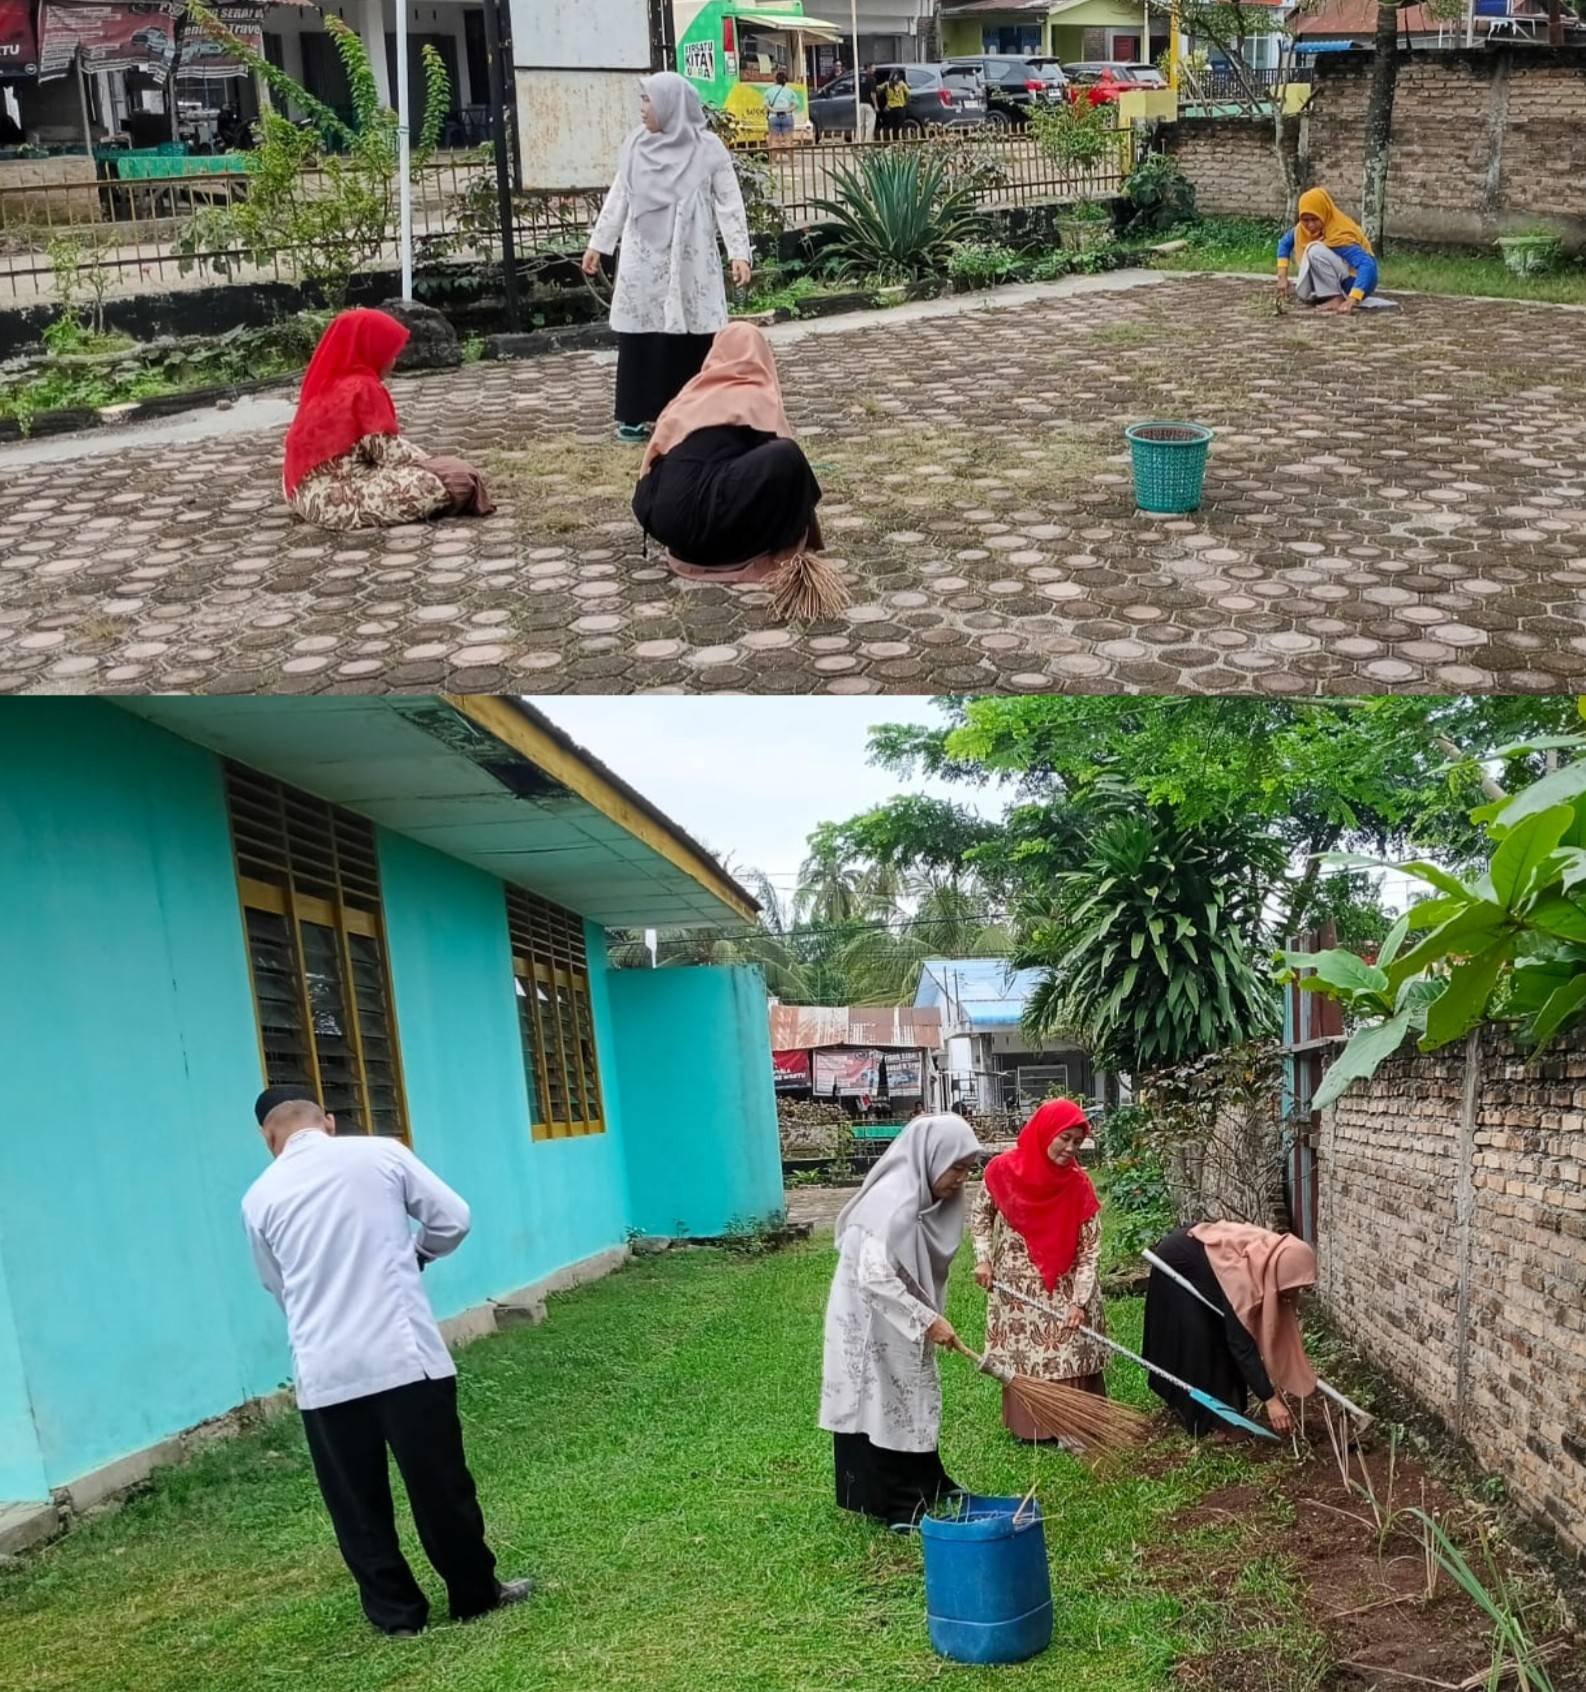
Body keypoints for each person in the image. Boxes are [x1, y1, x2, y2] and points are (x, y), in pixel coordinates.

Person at [241, 1087, 532, 1637]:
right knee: (439, 1483)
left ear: (267, 1137)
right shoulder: (380, 1153)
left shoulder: (259, 1197)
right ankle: (474, 1593)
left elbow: (275, 1284)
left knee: (356, 1502)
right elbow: (454, 1218)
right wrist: (417, 1255)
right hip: (403, 1357)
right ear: (328, 1122)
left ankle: (397, 1616)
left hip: (324, 1370)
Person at [819, 1113, 983, 1530]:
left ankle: (928, 1480)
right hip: (868, 1320)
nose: (961, 1179)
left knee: (913, 1393)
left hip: (898, 1315)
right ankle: (897, 1503)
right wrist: (927, 1319)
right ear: (932, 1156)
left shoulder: (923, 1198)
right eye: (957, 1167)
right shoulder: (890, 1202)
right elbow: (874, 1277)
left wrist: (925, 1317)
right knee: (881, 1399)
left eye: (968, 1169)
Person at [631, 321, 846, 620]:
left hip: (661, 519)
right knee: (788, 456)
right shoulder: (756, 395)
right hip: (699, 521)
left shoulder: (691, 394)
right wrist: (803, 540)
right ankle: (755, 548)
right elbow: (787, 477)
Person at [581, 71, 752, 444]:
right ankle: (635, 416)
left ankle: (691, 415)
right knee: (641, 334)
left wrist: (739, 252)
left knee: (691, 336)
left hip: (690, 260)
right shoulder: (636, 147)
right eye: (643, 100)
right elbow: (619, 198)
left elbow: (729, 202)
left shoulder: (708, 149)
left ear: (672, 105)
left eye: (649, 101)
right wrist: (599, 244)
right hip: (644, 260)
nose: (643, 109)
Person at [971, 1098, 1110, 1441]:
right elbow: (981, 1215)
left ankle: (1073, 1426)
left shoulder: (1078, 1185)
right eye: (1065, 1138)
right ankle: (1032, 1428)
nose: (1070, 1148)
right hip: (1017, 1291)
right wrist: (983, 1257)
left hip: (1066, 1288)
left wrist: (1079, 1301)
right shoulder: (1002, 1171)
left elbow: (1090, 1248)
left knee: (1068, 1349)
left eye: (1078, 1141)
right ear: (1046, 1131)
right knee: (1025, 1355)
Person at [282, 309, 495, 531]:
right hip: (331, 503)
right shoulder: (363, 388)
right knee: (451, 481)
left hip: (299, 492)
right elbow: (390, 454)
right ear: (372, 351)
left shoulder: (327, 380)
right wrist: (439, 466)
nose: (393, 361)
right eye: (389, 353)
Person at [1142, 1220, 1319, 1437]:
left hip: (1208, 1263)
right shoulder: (1242, 1278)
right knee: (1202, 1340)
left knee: (1225, 1331)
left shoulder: (1268, 1260)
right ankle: (1208, 1419)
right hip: (1177, 1264)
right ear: (1281, 1273)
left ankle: (1230, 1410)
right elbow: (1241, 1344)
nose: (1296, 1293)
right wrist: (1270, 1400)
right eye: (1294, 1286)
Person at [1276, 187, 1384, 314]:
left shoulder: (1339, 232)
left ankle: (1337, 297)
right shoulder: (1301, 230)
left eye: (1315, 219)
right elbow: (1284, 244)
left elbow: (1367, 264)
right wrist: (1282, 277)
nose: (1310, 225)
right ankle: (1330, 294)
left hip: (1355, 281)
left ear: (1323, 213)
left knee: (1314, 251)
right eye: (1305, 220)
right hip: (1340, 277)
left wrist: (1353, 299)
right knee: (1303, 293)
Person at [765, 68, 798, 145]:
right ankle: (789, 153)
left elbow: (766, 105)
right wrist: (787, 110)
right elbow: (796, 104)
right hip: (787, 116)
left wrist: (773, 110)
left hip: (773, 117)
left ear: (775, 80)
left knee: (774, 141)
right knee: (788, 141)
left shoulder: (769, 91)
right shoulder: (790, 91)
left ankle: (774, 153)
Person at [880, 69, 910, 139]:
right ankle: (901, 140)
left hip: (890, 108)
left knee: (892, 126)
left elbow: (878, 89)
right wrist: (905, 102)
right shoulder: (902, 84)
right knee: (900, 126)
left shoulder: (887, 84)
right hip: (900, 107)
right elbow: (909, 93)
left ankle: (893, 140)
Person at [858, 64, 879, 143]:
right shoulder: (872, 79)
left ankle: (859, 141)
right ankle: (867, 142)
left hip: (860, 104)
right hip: (869, 105)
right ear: (868, 68)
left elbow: (854, 89)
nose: (875, 70)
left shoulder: (859, 78)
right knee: (870, 125)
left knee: (860, 124)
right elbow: (872, 94)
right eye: (873, 68)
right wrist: (876, 105)